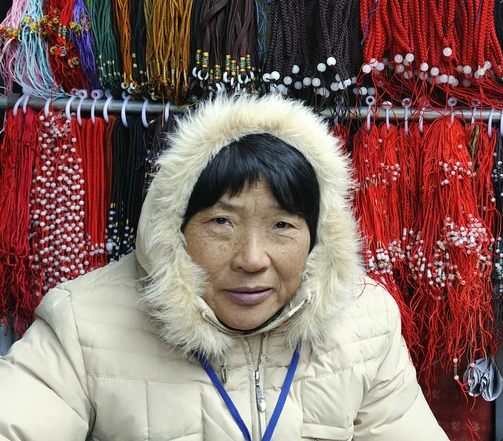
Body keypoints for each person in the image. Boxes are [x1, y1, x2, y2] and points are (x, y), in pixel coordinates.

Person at [0, 94, 449, 440]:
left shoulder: (365, 320)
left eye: (282, 225)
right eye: (221, 222)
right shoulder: (83, 323)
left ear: (318, 235)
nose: (252, 259)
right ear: (174, 228)